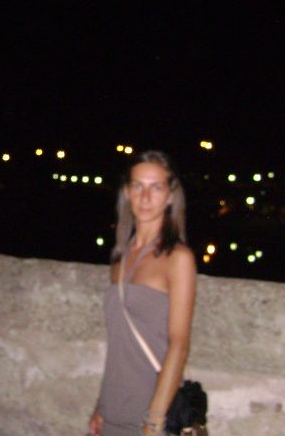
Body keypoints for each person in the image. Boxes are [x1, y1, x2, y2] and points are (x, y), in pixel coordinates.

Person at [89, 150, 197, 436]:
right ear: (127, 192)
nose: (145, 197)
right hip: (112, 409)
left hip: (149, 411)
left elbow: (179, 345)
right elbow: (119, 342)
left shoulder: (178, 259)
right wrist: (100, 405)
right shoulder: (120, 258)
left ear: (170, 196)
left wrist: (154, 419)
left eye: (156, 187)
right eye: (138, 186)